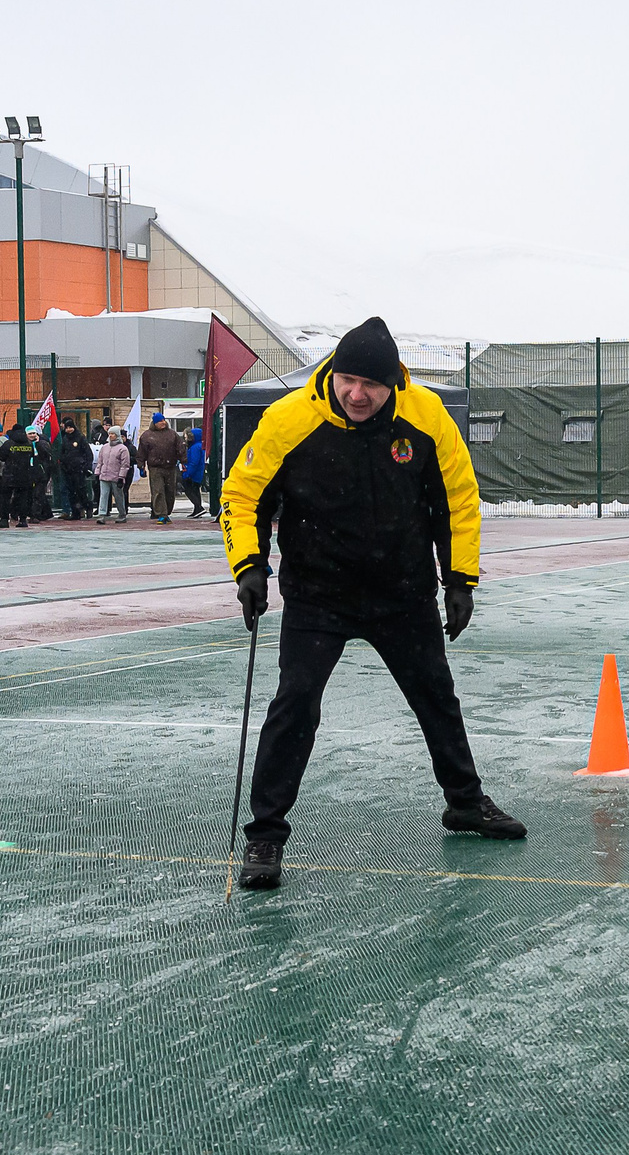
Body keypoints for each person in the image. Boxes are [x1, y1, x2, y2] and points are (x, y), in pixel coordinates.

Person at [221, 315, 525, 889]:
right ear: (333, 373)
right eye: (348, 380)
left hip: (401, 593)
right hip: (318, 596)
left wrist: (460, 579)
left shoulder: (426, 416)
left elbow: (457, 499)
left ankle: (465, 803)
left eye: (372, 385)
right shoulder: (288, 419)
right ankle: (264, 835)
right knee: (295, 704)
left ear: (394, 384)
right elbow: (242, 496)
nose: (357, 394)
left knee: (436, 697)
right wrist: (249, 566)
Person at [138, 412, 183, 523]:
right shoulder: (147, 436)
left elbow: (180, 448)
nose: (163, 423)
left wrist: (183, 461)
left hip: (170, 466)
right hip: (155, 468)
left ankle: (167, 511)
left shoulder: (172, 434)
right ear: (155, 423)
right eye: (160, 421)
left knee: (170, 491)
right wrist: (141, 466)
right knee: (158, 491)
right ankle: (161, 513)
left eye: (163, 420)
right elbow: (141, 453)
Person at [0, 421, 42, 527]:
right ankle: (22, 520)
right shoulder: (29, 444)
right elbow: (33, 456)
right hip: (25, 474)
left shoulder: (8, 444)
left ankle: (4, 520)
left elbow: (1, 457)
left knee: (5, 498)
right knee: (23, 498)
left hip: (10, 475)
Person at [95, 426, 133, 521]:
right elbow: (100, 461)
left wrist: (121, 477)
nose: (111, 436)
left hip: (116, 476)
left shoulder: (123, 449)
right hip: (104, 475)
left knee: (118, 496)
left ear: (117, 435)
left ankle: (122, 513)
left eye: (113, 434)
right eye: (110, 434)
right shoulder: (104, 447)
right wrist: (97, 473)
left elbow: (125, 464)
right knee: (103, 495)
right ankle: (102, 514)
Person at [182, 426, 209, 516]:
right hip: (198, 473)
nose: (185, 438)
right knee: (196, 491)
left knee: (189, 490)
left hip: (194, 473)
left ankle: (198, 507)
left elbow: (193, 462)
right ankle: (197, 508)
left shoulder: (194, 447)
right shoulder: (199, 446)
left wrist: (187, 473)